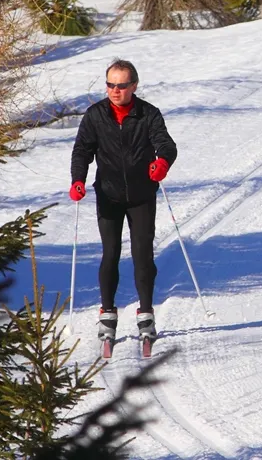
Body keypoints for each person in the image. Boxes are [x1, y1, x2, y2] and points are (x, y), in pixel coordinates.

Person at [69, 59, 177, 344]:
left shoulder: (148, 114)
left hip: (142, 195)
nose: (115, 91)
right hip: (109, 195)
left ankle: (146, 314)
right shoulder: (95, 115)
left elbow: (166, 144)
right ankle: (107, 314)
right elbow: (82, 151)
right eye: (110, 85)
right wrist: (78, 179)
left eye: (121, 85)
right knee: (110, 254)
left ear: (134, 86)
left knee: (143, 256)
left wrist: (162, 162)